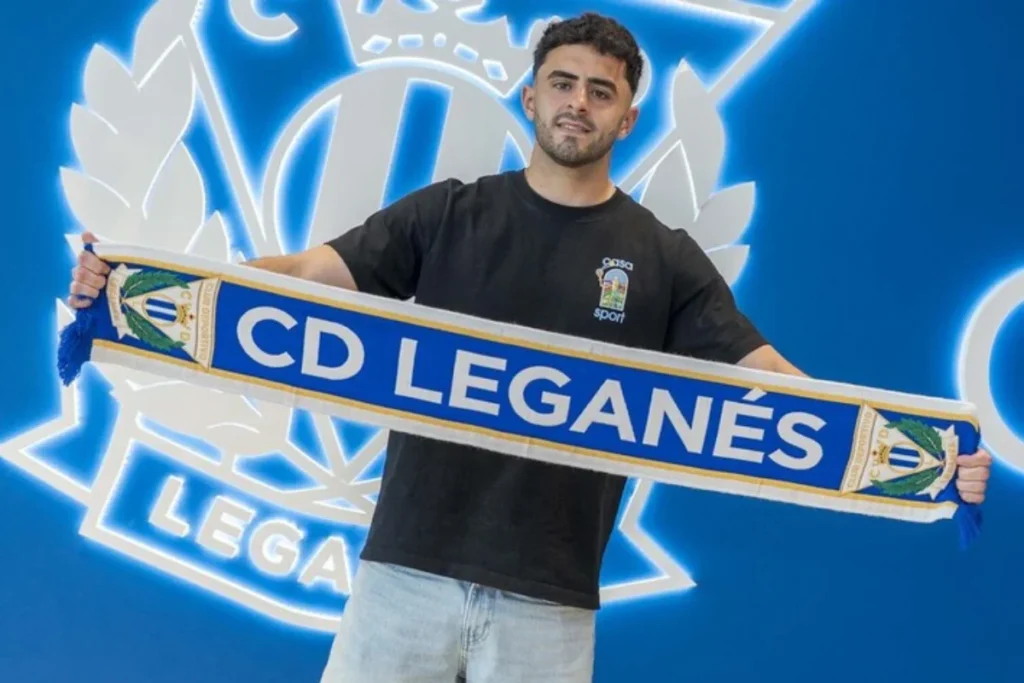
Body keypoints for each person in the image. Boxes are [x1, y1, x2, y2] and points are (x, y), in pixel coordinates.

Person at [68, 12, 993, 683]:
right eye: (563, 82)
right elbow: (307, 277)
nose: (577, 102)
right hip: (404, 569)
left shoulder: (664, 258)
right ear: (531, 95)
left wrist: (920, 457)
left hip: (549, 595)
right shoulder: (449, 212)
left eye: (602, 90)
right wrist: (146, 285)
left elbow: (774, 384)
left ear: (627, 119)